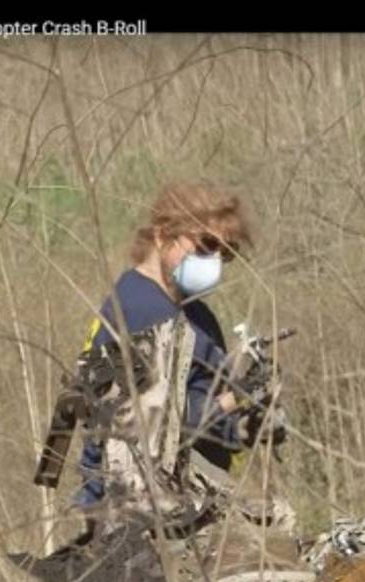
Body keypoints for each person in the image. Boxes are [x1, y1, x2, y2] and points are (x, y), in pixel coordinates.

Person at [69, 182, 270, 510]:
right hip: (140, 512)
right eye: (206, 245)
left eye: (227, 252)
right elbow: (150, 422)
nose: (216, 260)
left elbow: (201, 399)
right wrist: (235, 400)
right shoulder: (139, 311)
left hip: (195, 499)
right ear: (163, 234)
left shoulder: (195, 314)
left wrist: (247, 424)